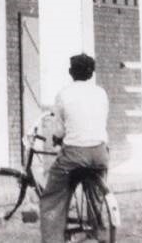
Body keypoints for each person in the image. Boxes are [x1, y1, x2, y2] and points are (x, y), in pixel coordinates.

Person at [39, 53, 110, 241]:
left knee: (53, 197)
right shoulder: (101, 93)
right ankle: (99, 232)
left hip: (75, 155)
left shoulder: (64, 94)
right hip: (100, 153)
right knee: (96, 193)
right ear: (92, 72)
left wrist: (57, 138)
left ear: (71, 72)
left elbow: (59, 128)